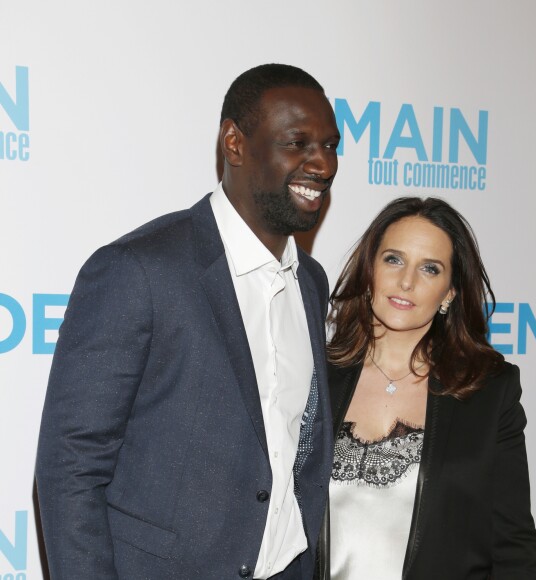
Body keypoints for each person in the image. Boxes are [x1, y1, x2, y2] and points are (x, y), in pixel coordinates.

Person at [35, 63, 341, 580]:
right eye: (299, 143)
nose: (323, 164)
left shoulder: (310, 281)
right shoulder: (139, 271)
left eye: (331, 145)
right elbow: (70, 468)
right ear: (235, 143)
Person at [316, 197, 536, 579]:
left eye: (430, 269)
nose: (407, 281)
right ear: (369, 268)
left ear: (450, 293)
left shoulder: (488, 393)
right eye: (393, 259)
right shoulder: (315, 376)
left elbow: (513, 546)